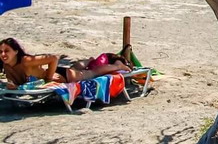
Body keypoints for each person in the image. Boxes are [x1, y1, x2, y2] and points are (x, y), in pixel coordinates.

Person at [0, 37, 131, 88]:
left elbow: (54, 58)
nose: (3, 54)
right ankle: (89, 60)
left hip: (62, 76)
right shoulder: (6, 65)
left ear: (16, 51)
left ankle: (117, 65)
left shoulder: (26, 61)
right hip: (59, 73)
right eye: (0, 52)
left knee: (91, 73)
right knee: (75, 67)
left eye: (7, 51)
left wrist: (48, 78)